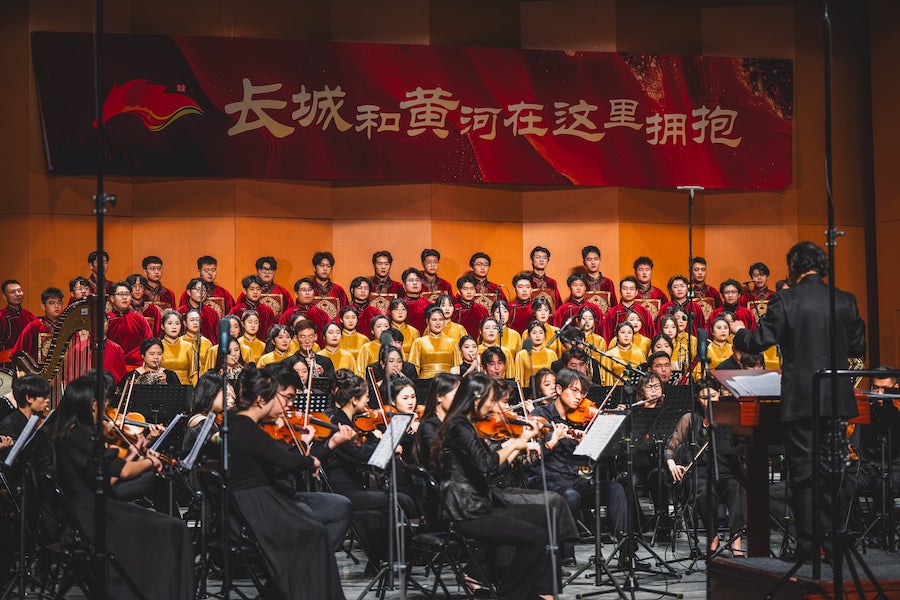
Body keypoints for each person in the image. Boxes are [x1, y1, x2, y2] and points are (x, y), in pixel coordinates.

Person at [731, 241, 866, 560]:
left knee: (804, 474)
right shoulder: (845, 300)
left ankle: (808, 547)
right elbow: (857, 347)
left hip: (802, 400)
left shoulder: (786, 299)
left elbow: (760, 340)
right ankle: (833, 545)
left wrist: (739, 330)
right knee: (833, 472)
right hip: (836, 400)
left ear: (793, 267)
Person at [45, 374, 193, 599]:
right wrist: (149, 461)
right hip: (93, 516)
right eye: (104, 403)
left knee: (171, 526)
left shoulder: (71, 434)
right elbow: (123, 472)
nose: (106, 410)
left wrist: (134, 453)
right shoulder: (81, 437)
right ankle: (160, 592)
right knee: (175, 528)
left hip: (89, 510)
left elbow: (107, 478)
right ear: (92, 404)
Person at [429, 373, 555, 599]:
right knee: (535, 537)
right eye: (490, 400)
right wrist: (518, 442)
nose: (493, 406)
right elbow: (486, 464)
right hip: (466, 512)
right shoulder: (458, 426)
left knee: (546, 513)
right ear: (476, 399)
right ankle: (511, 594)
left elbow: (493, 466)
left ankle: (542, 593)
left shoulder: (466, 424)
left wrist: (518, 444)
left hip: (479, 504)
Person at [225, 367, 345, 599]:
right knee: (315, 533)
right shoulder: (247, 428)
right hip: (258, 502)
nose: (282, 406)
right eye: (274, 397)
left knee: (315, 532)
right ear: (261, 400)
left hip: (254, 499)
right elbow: (286, 461)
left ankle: (294, 587)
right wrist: (310, 460)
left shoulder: (238, 424)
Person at [529, 368, 633, 568]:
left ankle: (627, 553)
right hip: (545, 481)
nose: (579, 397)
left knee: (615, 488)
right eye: (574, 390)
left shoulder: (581, 418)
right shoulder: (540, 414)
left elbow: (589, 459)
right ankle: (565, 552)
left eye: (582, 393)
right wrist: (555, 437)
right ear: (559, 389)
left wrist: (593, 442)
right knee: (571, 496)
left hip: (572, 480)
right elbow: (534, 455)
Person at [326, 369, 415, 574]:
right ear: (354, 400)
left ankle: (385, 560)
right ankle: (388, 560)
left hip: (357, 486)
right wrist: (386, 444)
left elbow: (365, 449)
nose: (368, 400)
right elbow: (358, 454)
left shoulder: (352, 421)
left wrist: (379, 440)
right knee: (402, 501)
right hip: (343, 489)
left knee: (402, 499)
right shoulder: (340, 423)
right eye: (366, 396)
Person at [666, 381, 746, 555]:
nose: (708, 401)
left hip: (726, 469)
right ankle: (713, 535)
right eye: (704, 398)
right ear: (697, 398)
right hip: (700, 471)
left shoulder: (729, 417)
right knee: (704, 492)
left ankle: (736, 539)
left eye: (713, 396)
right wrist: (672, 463)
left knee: (737, 488)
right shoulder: (690, 418)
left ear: (720, 395)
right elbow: (670, 447)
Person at [107, 281, 153, 370]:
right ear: (112, 298)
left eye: (127, 294)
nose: (124, 297)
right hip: (111, 367)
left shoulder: (140, 320)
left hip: (136, 368)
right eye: (120, 294)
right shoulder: (106, 320)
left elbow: (149, 344)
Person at [11, 287, 63, 364]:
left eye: (59, 303)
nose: (56, 306)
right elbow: (18, 353)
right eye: (52, 303)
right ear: (43, 306)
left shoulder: (66, 326)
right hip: (38, 370)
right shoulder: (34, 326)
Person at [408, 305, 461, 379]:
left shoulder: (452, 342)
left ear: (444, 322)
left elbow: (456, 367)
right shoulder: (419, 342)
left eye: (441, 319)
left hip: (446, 381)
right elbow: (414, 369)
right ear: (427, 321)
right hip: (424, 381)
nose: (438, 323)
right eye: (434, 320)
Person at [279, 278, 331, 346]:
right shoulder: (288, 314)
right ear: (296, 294)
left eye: (310, 290)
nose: (307, 293)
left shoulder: (321, 314)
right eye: (303, 290)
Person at [230, 275, 277, 339]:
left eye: (258, 289)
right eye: (252, 289)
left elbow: (272, 334)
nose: (255, 292)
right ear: (244, 291)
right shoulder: (235, 311)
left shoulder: (267, 311)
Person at [515, 320, 558, 388]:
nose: (538, 336)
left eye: (541, 333)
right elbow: (519, 379)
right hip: (528, 392)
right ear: (529, 335)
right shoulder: (521, 355)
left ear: (544, 335)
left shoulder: (551, 354)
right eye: (534, 333)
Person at [0, 280, 36, 360]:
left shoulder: (31, 317)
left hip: (27, 362)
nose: (17, 294)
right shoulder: (1, 316)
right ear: (5, 296)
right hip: (5, 364)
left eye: (19, 291)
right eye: (13, 292)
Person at [581, 245, 617, 312]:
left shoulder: (608, 282)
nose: (593, 262)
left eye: (596, 259)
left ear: (600, 260)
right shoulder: (580, 283)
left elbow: (614, 307)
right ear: (584, 262)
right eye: (589, 260)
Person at [528, 245, 562, 311]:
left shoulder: (552, 282)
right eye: (538, 257)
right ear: (532, 260)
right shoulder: (527, 281)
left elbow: (558, 305)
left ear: (547, 261)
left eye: (544, 258)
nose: (541, 260)